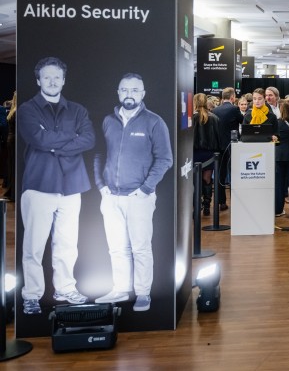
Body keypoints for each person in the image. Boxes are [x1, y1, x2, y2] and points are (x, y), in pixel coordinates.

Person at [17, 57, 95, 315]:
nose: (52, 82)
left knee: (67, 244)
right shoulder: (27, 110)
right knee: (34, 247)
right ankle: (32, 295)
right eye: (47, 77)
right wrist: (70, 139)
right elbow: (38, 139)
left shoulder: (78, 110)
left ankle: (65, 289)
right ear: (38, 80)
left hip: (72, 186)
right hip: (39, 185)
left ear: (63, 80)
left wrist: (53, 144)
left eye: (57, 77)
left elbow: (88, 139)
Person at [94, 73, 173, 312]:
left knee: (140, 248)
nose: (129, 94)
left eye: (135, 90)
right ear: (118, 93)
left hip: (139, 197)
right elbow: (99, 153)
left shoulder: (154, 122)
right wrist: (101, 185)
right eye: (125, 90)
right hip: (111, 197)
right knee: (116, 248)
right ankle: (120, 289)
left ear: (143, 93)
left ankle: (143, 293)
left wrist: (145, 189)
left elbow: (165, 159)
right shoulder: (108, 121)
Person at [192, 93, 225, 217]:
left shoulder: (191, 118)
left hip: (195, 153)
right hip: (210, 154)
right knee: (207, 179)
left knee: (195, 181)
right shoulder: (214, 118)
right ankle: (207, 206)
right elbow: (219, 137)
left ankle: (197, 205)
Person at [211, 87, 243, 209]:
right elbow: (243, 121)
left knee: (220, 174)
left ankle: (221, 202)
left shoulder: (215, 110)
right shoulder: (234, 109)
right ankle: (237, 200)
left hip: (218, 147)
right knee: (235, 173)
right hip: (232, 146)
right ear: (232, 97)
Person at [4, 92, 16, 201]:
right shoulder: (17, 112)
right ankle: (13, 192)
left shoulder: (12, 112)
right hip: (14, 141)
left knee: (11, 165)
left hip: (10, 139)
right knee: (14, 166)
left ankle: (11, 190)